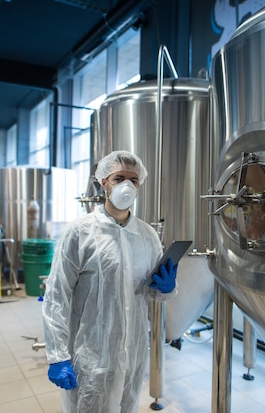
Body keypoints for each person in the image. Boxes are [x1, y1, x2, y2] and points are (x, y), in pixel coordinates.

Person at [42, 150, 178, 413]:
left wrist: (168, 288)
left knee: (126, 406)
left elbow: (153, 293)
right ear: (104, 182)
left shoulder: (147, 235)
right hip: (91, 354)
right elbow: (57, 295)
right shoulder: (80, 232)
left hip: (132, 352)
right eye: (119, 178)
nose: (127, 186)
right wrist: (58, 355)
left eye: (133, 180)